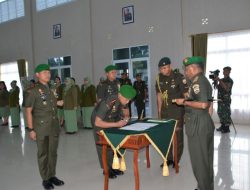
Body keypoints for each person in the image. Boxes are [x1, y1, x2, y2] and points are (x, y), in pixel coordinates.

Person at [175, 56, 215, 190]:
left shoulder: (198, 82)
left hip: (198, 125)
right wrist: (187, 98)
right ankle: (206, 186)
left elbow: (204, 104)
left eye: (187, 69)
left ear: (193, 68)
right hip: (203, 123)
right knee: (206, 159)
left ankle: (203, 188)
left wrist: (184, 102)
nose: (186, 72)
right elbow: (204, 101)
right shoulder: (200, 81)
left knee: (199, 161)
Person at [25, 64, 64, 190]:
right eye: (44, 72)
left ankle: (52, 175)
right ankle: (45, 179)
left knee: (52, 153)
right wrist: (31, 129)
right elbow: (28, 110)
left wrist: (59, 103)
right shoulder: (33, 90)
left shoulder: (51, 88)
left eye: (48, 72)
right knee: (43, 154)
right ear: (37, 75)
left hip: (53, 126)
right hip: (41, 127)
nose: (47, 74)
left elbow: (51, 104)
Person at [91, 85, 136, 179]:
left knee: (111, 144)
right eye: (127, 99)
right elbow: (98, 122)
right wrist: (116, 124)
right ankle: (106, 169)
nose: (127, 102)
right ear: (120, 95)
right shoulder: (110, 101)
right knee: (103, 145)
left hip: (111, 119)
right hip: (98, 120)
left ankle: (112, 167)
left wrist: (126, 118)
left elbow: (123, 113)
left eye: (129, 100)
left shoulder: (123, 99)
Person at [155, 57, 188, 167]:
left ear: (170, 66)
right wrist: (159, 111)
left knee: (177, 137)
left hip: (177, 112)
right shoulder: (159, 78)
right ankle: (168, 159)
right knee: (166, 136)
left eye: (165, 68)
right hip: (165, 112)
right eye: (161, 69)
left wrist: (188, 111)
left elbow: (186, 96)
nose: (163, 70)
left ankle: (176, 160)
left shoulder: (179, 77)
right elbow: (159, 96)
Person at [215, 66, 233, 133]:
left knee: (226, 113)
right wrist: (215, 81)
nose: (225, 72)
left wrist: (219, 80)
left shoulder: (230, 80)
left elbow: (226, 88)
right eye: (224, 71)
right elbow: (218, 88)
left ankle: (227, 128)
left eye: (226, 71)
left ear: (229, 72)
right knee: (220, 112)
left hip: (226, 99)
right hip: (220, 98)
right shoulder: (222, 79)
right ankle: (222, 126)